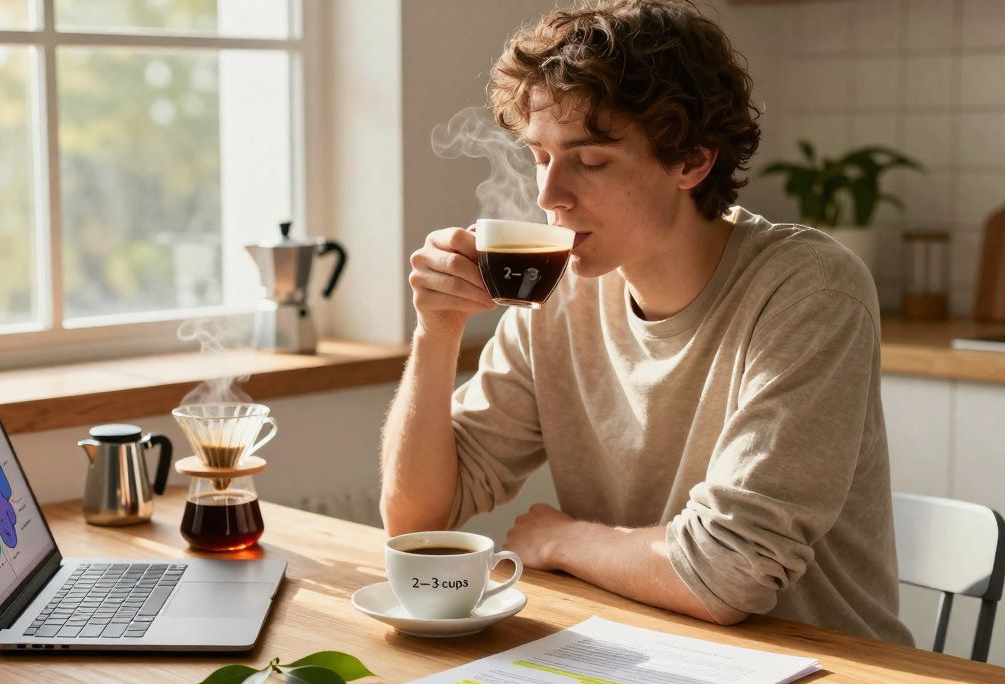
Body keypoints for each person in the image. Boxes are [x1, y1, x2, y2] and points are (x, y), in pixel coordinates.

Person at [379, 0, 913, 645]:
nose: (549, 196)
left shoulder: (808, 293)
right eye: (540, 157)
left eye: (591, 160)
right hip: (634, 653)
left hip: (821, 678)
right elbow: (417, 524)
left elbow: (731, 575)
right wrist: (437, 332)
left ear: (691, 161)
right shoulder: (560, 295)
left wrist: (566, 539)